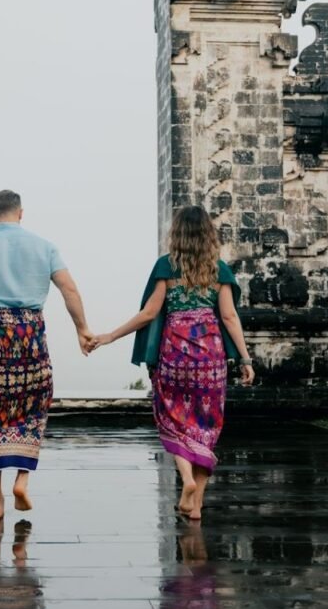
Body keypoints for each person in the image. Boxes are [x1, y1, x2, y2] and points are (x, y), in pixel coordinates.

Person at [89, 205, 254, 520]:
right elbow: (230, 317)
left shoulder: (166, 267)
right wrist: (244, 358)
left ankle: (187, 480)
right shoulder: (219, 270)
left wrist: (111, 335)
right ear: (208, 235)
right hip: (210, 354)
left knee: (175, 419)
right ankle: (197, 507)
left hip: (175, 353)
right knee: (206, 425)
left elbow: (149, 314)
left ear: (176, 234)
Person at [0, 189, 93, 519]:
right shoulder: (44, 246)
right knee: (33, 403)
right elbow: (68, 289)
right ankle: (22, 480)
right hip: (30, 336)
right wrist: (82, 328)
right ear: (21, 213)